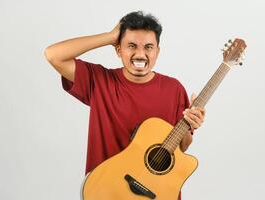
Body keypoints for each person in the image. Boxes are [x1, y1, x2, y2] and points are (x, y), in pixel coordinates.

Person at [45, 11, 205, 200]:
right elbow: (53, 55)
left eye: (148, 47)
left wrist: (190, 125)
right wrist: (110, 36)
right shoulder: (99, 80)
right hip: (107, 193)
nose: (140, 54)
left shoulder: (174, 88)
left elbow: (181, 149)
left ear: (157, 51)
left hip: (157, 194)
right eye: (131, 46)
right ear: (118, 50)